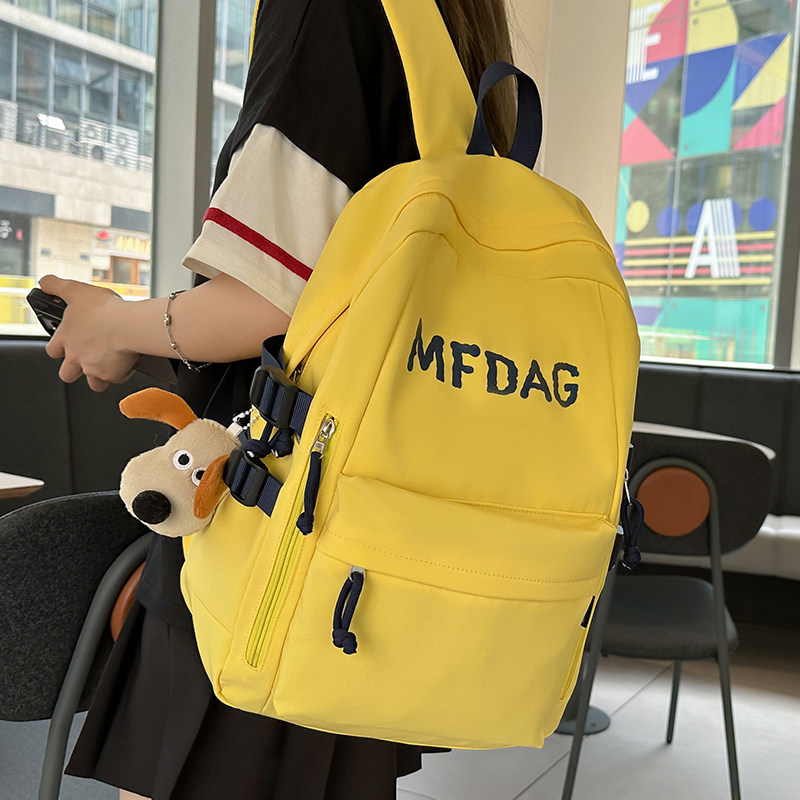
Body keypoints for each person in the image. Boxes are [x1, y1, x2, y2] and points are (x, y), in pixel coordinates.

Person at [41, 1, 516, 798]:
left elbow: (271, 301)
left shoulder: (325, 11)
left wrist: (112, 325)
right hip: (379, 551)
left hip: (265, 536)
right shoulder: (452, 42)